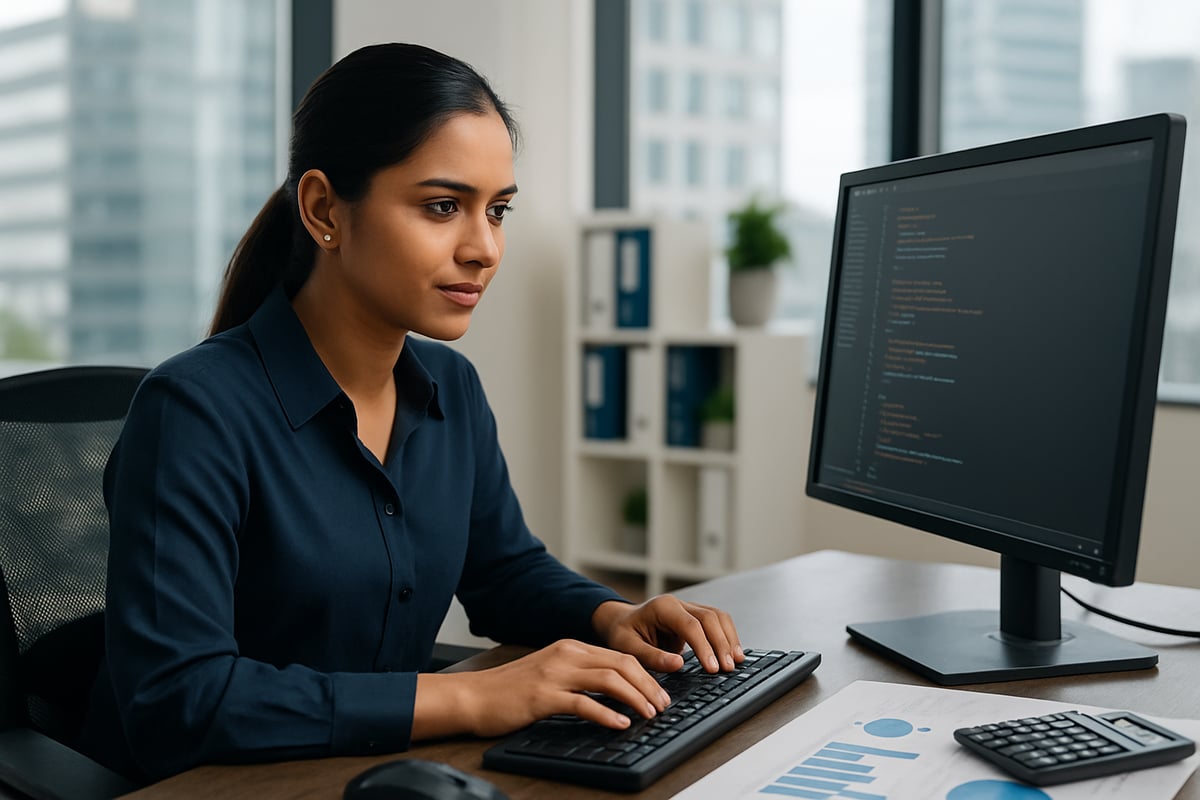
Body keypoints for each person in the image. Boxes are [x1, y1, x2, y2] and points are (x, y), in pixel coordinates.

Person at [79, 42, 744, 783]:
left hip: (376, 773)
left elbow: (503, 570)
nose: (485, 247)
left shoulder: (449, 387)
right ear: (325, 209)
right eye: (442, 207)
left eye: (498, 211)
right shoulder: (194, 412)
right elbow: (179, 700)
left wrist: (613, 618)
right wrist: (470, 696)